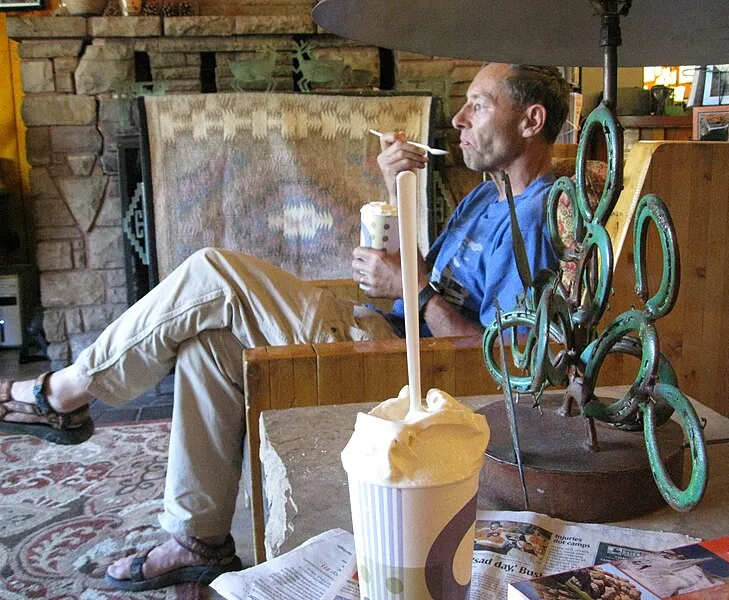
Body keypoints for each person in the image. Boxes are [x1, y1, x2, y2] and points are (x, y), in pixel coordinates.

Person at [0, 62, 569, 591]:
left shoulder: (539, 214)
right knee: (212, 345)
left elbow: (502, 357)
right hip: (380, 329)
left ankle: (64, 392)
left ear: (531, 119)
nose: (459, 119)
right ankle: (197, 538)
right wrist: (395, 196)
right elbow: (420, 279)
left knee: (211, 270)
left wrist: (410, 287)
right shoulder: (483, 201)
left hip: (405, 364)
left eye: (477, 104)